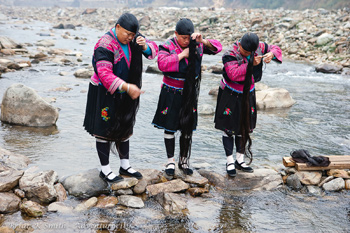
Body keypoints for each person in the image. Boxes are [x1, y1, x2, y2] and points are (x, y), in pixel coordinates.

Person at [83, 13, 158, 183]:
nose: (130, 38)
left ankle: (125, 165)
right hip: (105, 91)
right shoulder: (104, 45)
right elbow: (104, 74)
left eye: (133, 35)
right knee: (103, 130)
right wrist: (127, 86)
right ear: (117, 27)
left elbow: (154, 52)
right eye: (127, 34)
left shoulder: (133, 38)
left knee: (125, 125)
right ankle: (105, 169)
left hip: (125, 89)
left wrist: (145, 45)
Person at [152, 18, 222, 176]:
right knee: (169, 127)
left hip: (189, 92)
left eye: (187, 38)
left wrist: (202, 40)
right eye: (182, 37)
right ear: (175, 33)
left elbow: (218, 47)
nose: (185, 40)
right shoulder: (167, 45)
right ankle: (170, 161)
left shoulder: (197, 44)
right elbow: (162, 64)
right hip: (171, 91)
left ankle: (183, 160)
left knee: (187, 128)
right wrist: (183, 54)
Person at [214, 32, 282, 177]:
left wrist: (271, 54)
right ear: (239, 45)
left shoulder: (259, 47)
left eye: (251, 53)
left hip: (248, 92)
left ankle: (240, 159)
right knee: (228, 128)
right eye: (245, 52)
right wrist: (250, 63)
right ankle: (229, 161)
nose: (248, 54)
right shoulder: (229, 54)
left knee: (244, 126)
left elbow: (275, 48)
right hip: (230, 93)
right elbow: (233, 73)